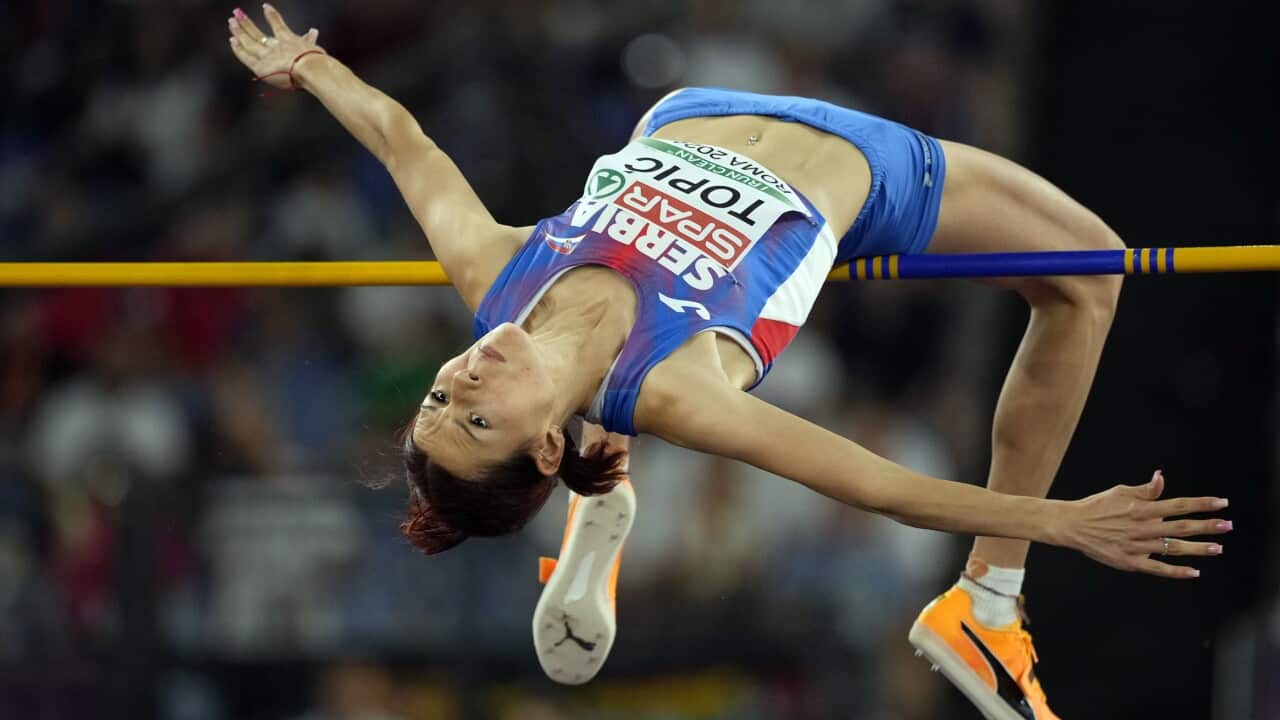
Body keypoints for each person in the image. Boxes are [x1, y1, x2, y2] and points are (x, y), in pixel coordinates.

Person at [229, 7, 1232, 718]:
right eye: (474, 417)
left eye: (441, 395)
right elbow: (878, 485)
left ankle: (603, 495)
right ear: (540, 446)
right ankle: (986, 603)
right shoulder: (682, 389)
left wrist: (307, 68)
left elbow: (401, 141)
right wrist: (1054, 524)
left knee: (588, 358)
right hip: (869, 167)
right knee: (1089, 274)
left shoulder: (493, 271)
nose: (463, 381)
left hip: (688, 111)